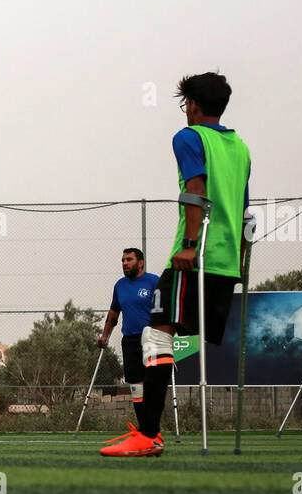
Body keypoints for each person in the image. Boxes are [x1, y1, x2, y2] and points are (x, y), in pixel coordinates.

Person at [102, 73, 251, 457]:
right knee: (168, 332)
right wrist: (241, 258)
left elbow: (195, 190)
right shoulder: (240, 148)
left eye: (185, 102)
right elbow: (246, 212)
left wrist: (188, 243)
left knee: (156, 334)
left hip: (194, 257)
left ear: (194, 104)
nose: (184, 109)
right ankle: (150, 431)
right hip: (226, 261)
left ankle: (149, 435)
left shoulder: (188, 137)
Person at [98, 247, 161, 428]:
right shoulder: (120, 285)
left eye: (129, 260)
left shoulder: (153, 282)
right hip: (130, 341)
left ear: (140, 262)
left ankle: (152, 425)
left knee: (151, 383)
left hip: (150, 338)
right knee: (135, 385)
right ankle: (144, 426)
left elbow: (165, 308)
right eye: (123, 260)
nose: (125, 263)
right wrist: (104, 336)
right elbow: (114, 312)